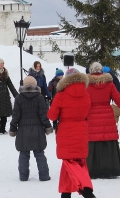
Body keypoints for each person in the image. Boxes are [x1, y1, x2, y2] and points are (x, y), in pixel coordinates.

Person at [48, 68, 96, 198]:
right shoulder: (86, 94)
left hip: (66, 131)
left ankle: (87, 191)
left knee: (71, 162)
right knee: (72, 164)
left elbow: (52, 115)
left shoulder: (61, 95)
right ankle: (65, 194)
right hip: (82, 130)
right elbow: (88, 112)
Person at [9, 76, 52, 182]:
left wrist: (13, 128)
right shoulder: (39, 97)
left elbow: (16, 116)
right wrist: (47, 127)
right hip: (37, 130)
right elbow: (43, 115)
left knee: (23, 154)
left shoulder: (19, 98)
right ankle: (44, 176)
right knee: (39, 153)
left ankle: (23, 177)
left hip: (23, 131)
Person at [86, 62, 120, 179]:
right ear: (102, 71)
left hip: (92, 115)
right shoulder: (109, 83)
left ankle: (92, 170)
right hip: (107, 115)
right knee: (108, 141)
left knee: (93, 142)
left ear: (91, 71)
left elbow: (83, 101)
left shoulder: (87, 84)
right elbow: (118, 99)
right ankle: (110, 169)